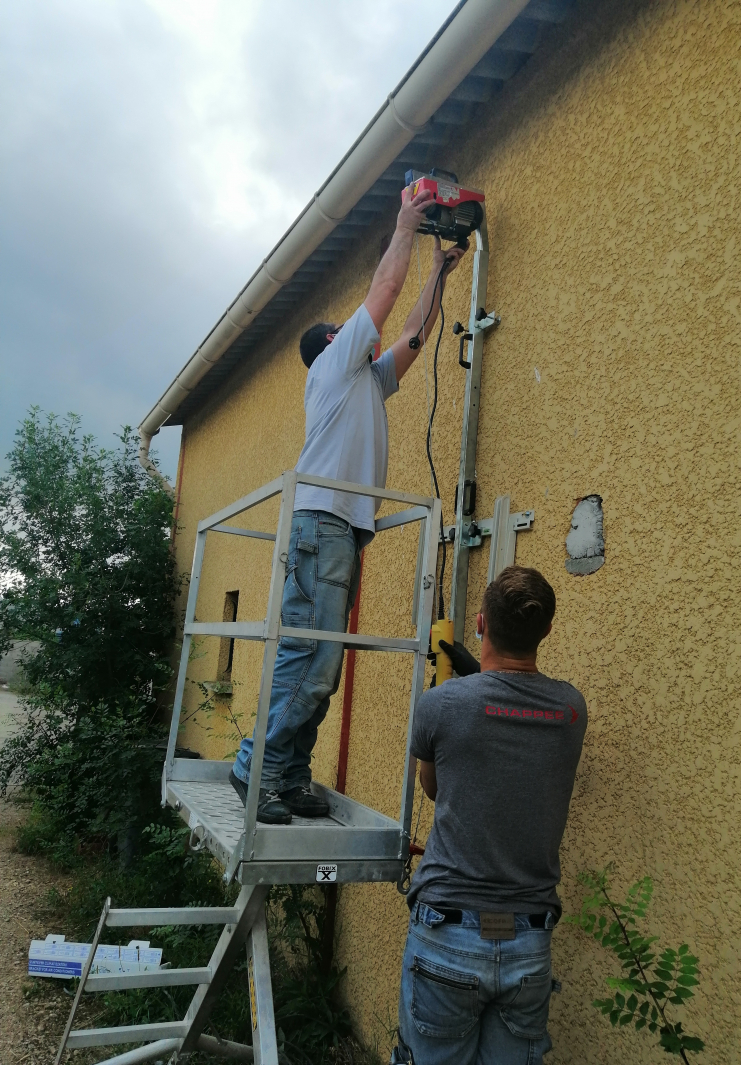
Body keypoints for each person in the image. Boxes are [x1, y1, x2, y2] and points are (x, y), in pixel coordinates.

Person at [230, 185, 468, 824]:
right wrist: (405, 225)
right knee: (310, 662)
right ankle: (256, 764)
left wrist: (440, 271)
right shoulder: (333, 366)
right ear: (335, 343)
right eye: (351, 329)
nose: (362, 330)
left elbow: (414, 333)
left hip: (339, 529)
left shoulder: (366, 379)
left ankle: (286, 776)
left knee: (320, 666)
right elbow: (384, 297)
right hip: (321, 524)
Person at [396, 566, 587, 1065]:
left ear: (479, 624)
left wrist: (466, 688)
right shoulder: (571, 709)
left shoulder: (440, 705)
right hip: (528, 941)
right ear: (547, 630)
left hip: (447, 933)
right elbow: (515, 713)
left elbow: (436, 789)